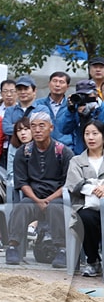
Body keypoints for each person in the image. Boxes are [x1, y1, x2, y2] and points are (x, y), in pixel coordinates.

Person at [5, 111, 69, 267]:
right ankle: (13, 246)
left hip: (56, 198)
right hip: (33, 197)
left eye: (42, 125)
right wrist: (37, 200)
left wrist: (48, 199)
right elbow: (22, 182)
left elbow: (68, 183)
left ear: (51, 127)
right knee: (21, 207)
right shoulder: (23, 152)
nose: (37, 130)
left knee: (56, 209)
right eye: (33, 126)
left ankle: (62, 250)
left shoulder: (63, 151)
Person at [66, 119, 104, 277]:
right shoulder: (76, 161)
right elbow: (73, 184)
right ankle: (93, 261)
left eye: (95, 133)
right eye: (87, 134)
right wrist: (95, 188)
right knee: (85, 218)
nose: (91, 137)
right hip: (86, 206)